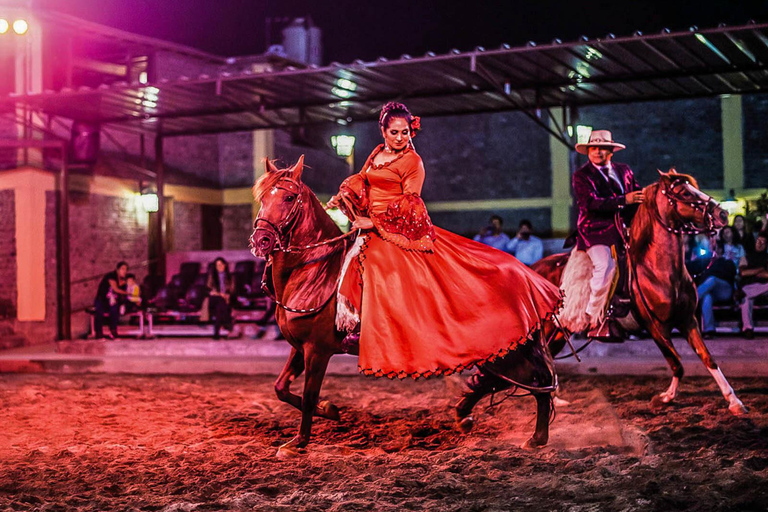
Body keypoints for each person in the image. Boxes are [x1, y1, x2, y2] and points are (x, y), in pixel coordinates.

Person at [325, 102, 561, 378]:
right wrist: (345, 197)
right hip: (366, 226)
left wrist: (374, 222)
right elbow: (364, 184)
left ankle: (364, 330)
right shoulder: (376, 153)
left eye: (405, 132)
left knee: (374, 263)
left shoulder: (412, 161)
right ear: (383, 131)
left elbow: (411, 204)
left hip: (396, 230)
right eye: (394, 133)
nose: (400, 138)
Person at [572, 129, 644, 337]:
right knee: (605, 265)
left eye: (602, 149)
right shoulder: (582, 176)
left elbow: (636, 197)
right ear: (588, 152)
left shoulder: (625, 170)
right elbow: (589, 204)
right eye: (594, 148)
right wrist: (624, 200)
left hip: (623, 229)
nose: (598, 152)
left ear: (611, 151)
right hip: (595, 230)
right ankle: (591, 317)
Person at [696, 236, 738, 339]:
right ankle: (709, 330)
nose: (715, 250)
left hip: (725, 290)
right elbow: (691, 269)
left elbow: (729, 275)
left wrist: (711, 273)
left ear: (721, 249)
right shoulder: (705, 263)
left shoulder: (728, 262)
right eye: (713, 248)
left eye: (717, 248)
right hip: (711, 291)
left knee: (712, 279)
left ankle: (691, 300)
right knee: (707, 297)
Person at [739, 231, 768, 339]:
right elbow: (743, 273)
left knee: (745, 294)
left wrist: (753, 272)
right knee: (746, 299)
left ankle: (744, 293)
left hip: (764, 288)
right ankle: (748, 329)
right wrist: (760, 270)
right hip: (750, 285)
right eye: (758, 241)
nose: (760, 244)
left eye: (763, 242)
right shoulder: (746, 257)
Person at [93, 261, 129, 340]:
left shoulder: (124, 281)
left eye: (126, 269)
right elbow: (115, 289)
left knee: (114, 310)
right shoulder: (111, 276)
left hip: (113, 301)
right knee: (99, 310)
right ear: (117, 269)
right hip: (102, 299)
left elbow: (121, 295)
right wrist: (129, 293)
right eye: (122, 269)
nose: (124, 271)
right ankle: (98, 333)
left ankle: (113, 332)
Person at [206, 257, 240, 340]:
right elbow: (209, 289)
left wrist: (226, 295)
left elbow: (232, 290)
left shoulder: (230, 277)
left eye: (221, 265)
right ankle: (228, 323)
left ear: (225, 265)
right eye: (217, 265)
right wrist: (221, 294)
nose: (219, 267)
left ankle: (216, 332)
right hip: (215, 298)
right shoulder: (212, 276)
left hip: (226, 299)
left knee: (219, 309)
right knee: (220, 302)